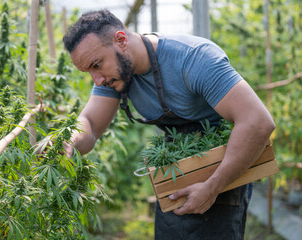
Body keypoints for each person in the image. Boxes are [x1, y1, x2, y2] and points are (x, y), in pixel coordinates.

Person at [60, 9, 275, 239]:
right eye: (89, 72)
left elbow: (258, 121)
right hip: (174, 167)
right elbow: (90, 124)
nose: (97, 80)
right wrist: (68, 139)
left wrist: (213, 187)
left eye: (96, 65)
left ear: (121, 40)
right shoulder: (113, 74)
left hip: (223, 165)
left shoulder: (193, 58)